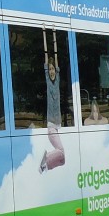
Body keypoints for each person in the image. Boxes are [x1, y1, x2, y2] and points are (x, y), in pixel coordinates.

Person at [39, 33, 65, 172]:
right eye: (49, 69)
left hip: (57, 124)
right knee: (60, 150)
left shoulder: (58, 80)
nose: (51, 71)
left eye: (53, 69)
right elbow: (46, 53)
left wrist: (54, 33)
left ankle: (45, 166)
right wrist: (45, 32)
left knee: (62, 159)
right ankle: (46, 157)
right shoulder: (49, 81)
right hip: (51, 125)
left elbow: (56, 55)